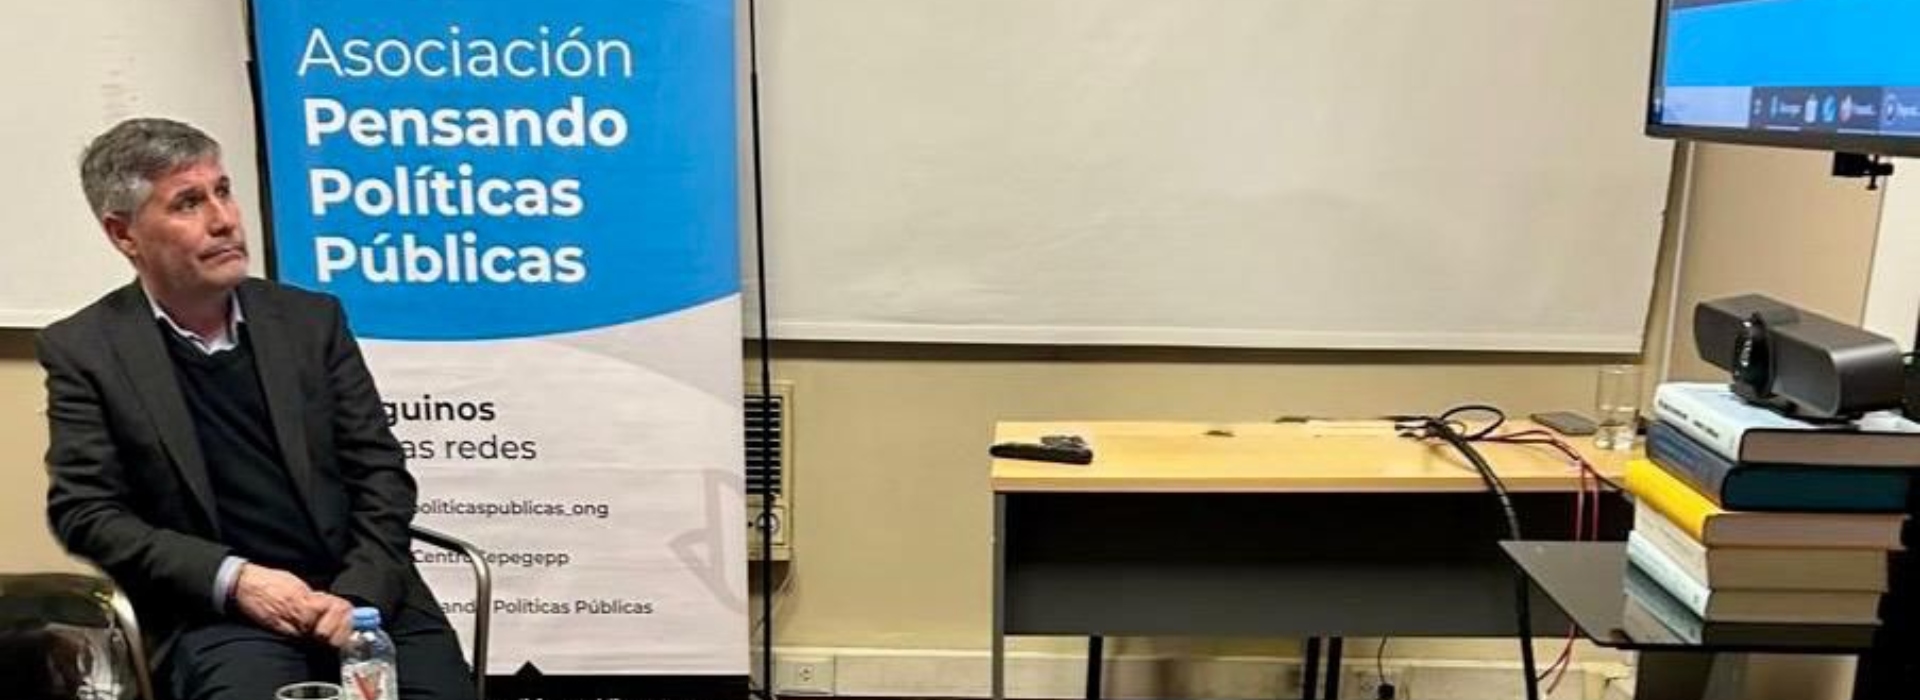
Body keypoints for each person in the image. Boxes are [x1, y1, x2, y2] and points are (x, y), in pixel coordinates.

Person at [38, 117, 475, 700]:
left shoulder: (310, 321)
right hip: (222, 614)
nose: (223, 219)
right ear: (124, 234)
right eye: (188, 203)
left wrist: (359, 593)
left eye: (222, 190)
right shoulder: (88, 349)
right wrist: (235, 579)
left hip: (363, 594)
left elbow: (381, 473)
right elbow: (87, 512)